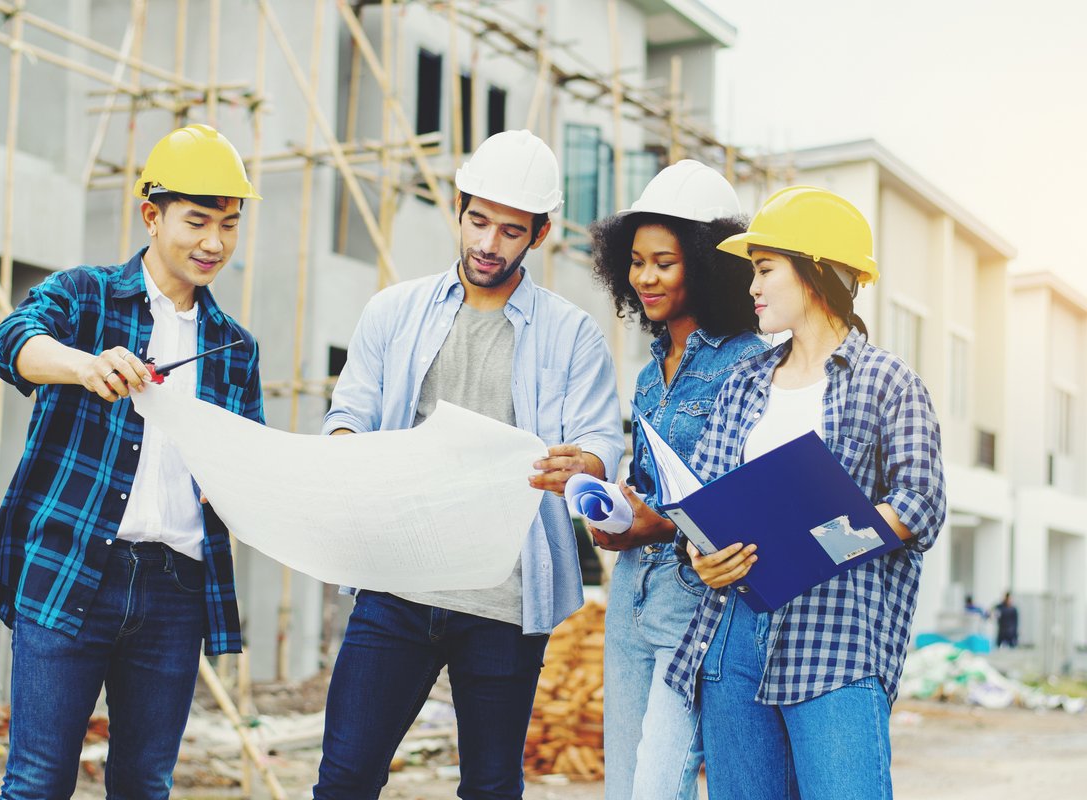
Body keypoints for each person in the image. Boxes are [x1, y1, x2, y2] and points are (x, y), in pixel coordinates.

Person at [313, 129, 624, 798]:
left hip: (503, 599)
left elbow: (601, 435)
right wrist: (346, 448)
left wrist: (587, 460)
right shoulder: (392, 312)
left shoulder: (572, 334)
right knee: (344, 778)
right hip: (396, 585)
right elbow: (350, 410)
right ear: (457, 210)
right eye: (477, 221)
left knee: (489, 786)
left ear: (538, 236)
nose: (488, 244)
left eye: (510, 231)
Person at [0, 124, 264, 799]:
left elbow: (243, 462)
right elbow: (10, 341)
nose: (214, 242)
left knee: (143, 785)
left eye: (229, 224)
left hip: (175, 589)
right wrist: (83, 365)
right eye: (197, 221)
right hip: (71, 567)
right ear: (151, 215)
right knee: (39, 782)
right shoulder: (84, 297)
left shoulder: (234, 347)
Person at [664, 186, 946, 799]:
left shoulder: (889, 382)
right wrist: (702, 557)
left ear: (817, 273)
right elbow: (703, 499)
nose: (752, 287)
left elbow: (920, 503)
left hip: (836, 638)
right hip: (733, 636)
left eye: (765, 270)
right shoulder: (743, 382)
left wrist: (818, 546)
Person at [586, 160, 765, 800]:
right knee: (625, 786)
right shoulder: (646, 373)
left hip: (698, 600)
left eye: (663, 261)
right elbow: (647, 486)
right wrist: (616, 518)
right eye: (636, 261)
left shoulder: (751, 362)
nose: (645, 277)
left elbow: (750, 495)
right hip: (632, 595)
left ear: (707, 262)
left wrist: (658, 521)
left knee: (658, 786)